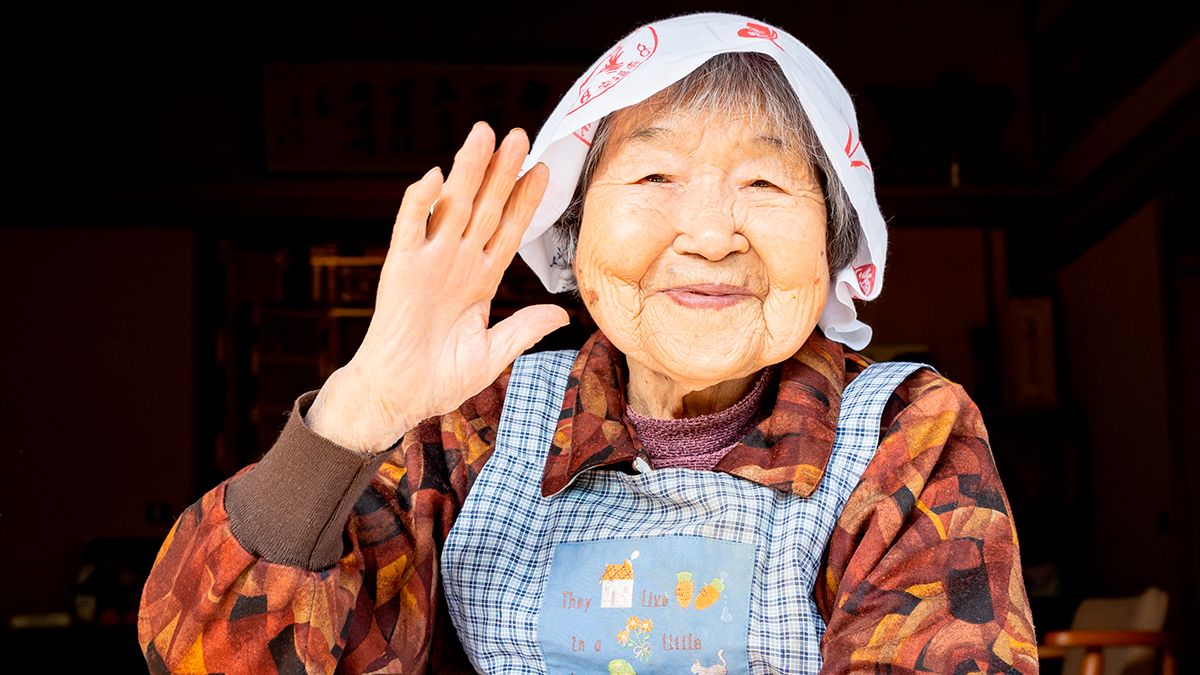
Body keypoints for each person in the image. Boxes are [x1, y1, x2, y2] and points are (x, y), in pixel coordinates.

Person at [139, 11, 1038, 674]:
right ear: (573, 231)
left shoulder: (903, 435)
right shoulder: (471, 429)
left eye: (765, 182)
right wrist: (362, 403)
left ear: (835, 243)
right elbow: (209, 656)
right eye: (654, 174)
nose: (713, 234)